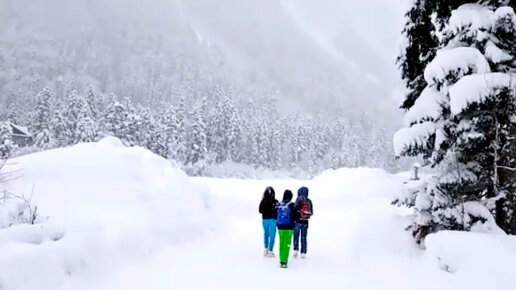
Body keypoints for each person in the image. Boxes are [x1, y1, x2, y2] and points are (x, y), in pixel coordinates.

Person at [276, 189, 296, 268]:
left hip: (280, 227)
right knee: (287, 244)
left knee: (281, 243)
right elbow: (294, 216)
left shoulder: (279, 204)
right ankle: (284, 261)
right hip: (289, 228)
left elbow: (275, 215)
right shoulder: (292, 205)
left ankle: (281, 258)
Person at [293, 186, 313, 259]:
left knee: (296, 236)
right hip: (305, 222)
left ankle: (295, 250)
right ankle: (303, 252)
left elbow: (294, 210)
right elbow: (311, 212)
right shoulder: (309, 201)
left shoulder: (298, 200)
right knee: (304, 237)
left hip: (297, 221)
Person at [259, 186, 278, 257]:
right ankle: (270, 250)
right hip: (273, 220)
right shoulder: (275, 202)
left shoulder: (263, 201)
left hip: (264, 220)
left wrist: (266, 211)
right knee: (272, 235)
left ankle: (265, 248)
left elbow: (260, 211)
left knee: (266, 234)